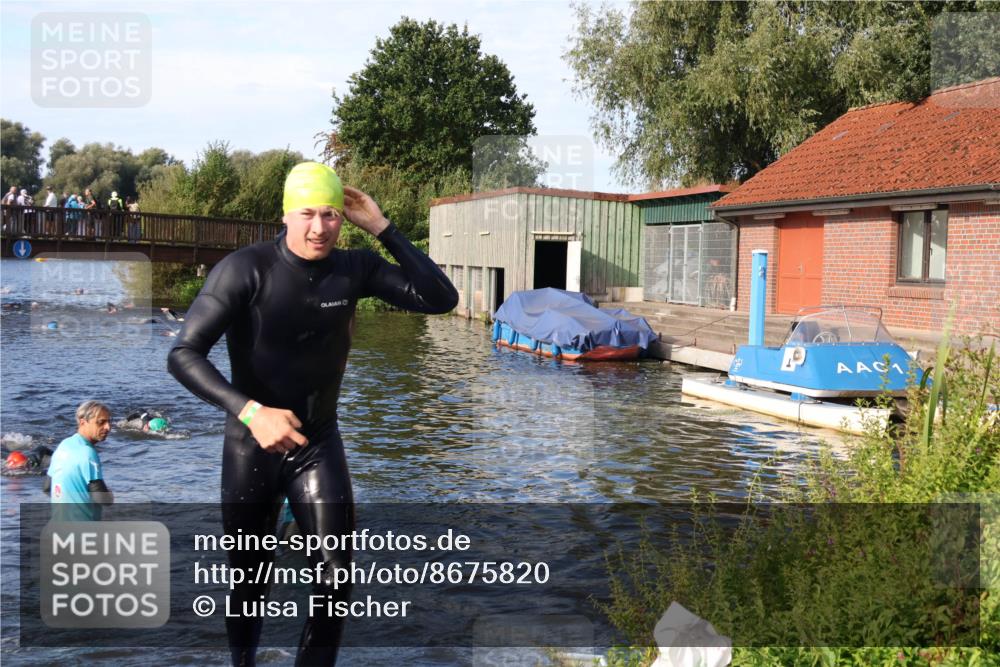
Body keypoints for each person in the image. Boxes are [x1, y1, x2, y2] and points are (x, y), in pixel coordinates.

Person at [167, 161, 458, 666]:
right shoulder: (245, 269)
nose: (319, 227)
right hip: (250, 445)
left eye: (330, 215)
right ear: (286, 214)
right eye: (307, 214)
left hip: (319, 443)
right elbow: (184, 353)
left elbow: (441, 299)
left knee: (335, 580)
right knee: (249, 581)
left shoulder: (353, 269)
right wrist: (251, 412)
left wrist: (383, 228)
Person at [45, 400, 114, 521]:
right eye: (101, 422)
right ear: (83, 422)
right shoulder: (87, 452)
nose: (108, 427)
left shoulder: (63, 445)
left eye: (109, 422)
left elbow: (47, 487)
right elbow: (102, 498)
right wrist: (110, 495)